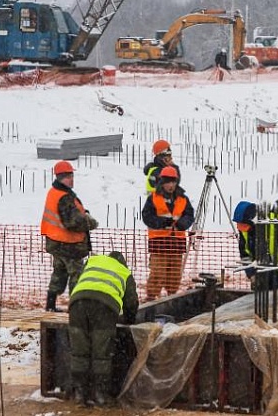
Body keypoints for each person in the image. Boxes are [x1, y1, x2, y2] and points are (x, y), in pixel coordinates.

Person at [69, 251, 138, 407]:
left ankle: (80, 393)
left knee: (79, 351)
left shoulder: (92, 262)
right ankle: (100, 394)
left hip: (77, 304)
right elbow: (131, 303)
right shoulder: (124, 272)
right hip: (104, 308)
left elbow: (75, 281)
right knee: (101, 353)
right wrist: (129, 320)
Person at [40, 160, 98, 312]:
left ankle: (50, 305)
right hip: (69, 245)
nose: (71, 179)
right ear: (60, 178)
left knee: (59, 273)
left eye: (71, 175)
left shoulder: (55, 192)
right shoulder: (64, 197)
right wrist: (89, 222)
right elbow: (72, 222)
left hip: (56, 243)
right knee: (76, 276)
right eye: (67, 176)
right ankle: (76, 308)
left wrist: (82, 214)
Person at [141, 166, 195, 301]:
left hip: (177, 242)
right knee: (158, 272)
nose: (171, 185)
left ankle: (172, 296)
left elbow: (189, 215)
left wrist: (182, 224)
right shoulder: (153, 198)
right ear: (162, 182)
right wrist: (161, 222)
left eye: (173, 182)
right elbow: (147, 216)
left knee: (174, 273)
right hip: (159, 242)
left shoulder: (183, 199)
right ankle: (151, 297)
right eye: (168, 182)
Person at [233, 201, 259, 285]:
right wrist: (251, 274)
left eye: (243, 225)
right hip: (257, 276)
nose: (240, 228)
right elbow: (245, 256)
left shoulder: (267, 229)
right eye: (239, 225)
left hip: (277, 274)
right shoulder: (244, 232)